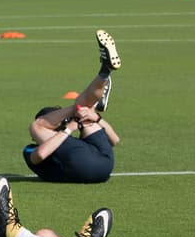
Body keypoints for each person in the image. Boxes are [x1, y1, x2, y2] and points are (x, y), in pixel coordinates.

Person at [23, 30, 122, 184]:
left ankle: (104, 74)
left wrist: (96, 118)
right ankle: (103, 76)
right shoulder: (30, 149)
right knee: (38, 125)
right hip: (87, 168)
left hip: (104, 163)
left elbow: (115, 140)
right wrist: (69, 128)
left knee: (84, 114)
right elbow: (41, 155)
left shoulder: (74, 137)